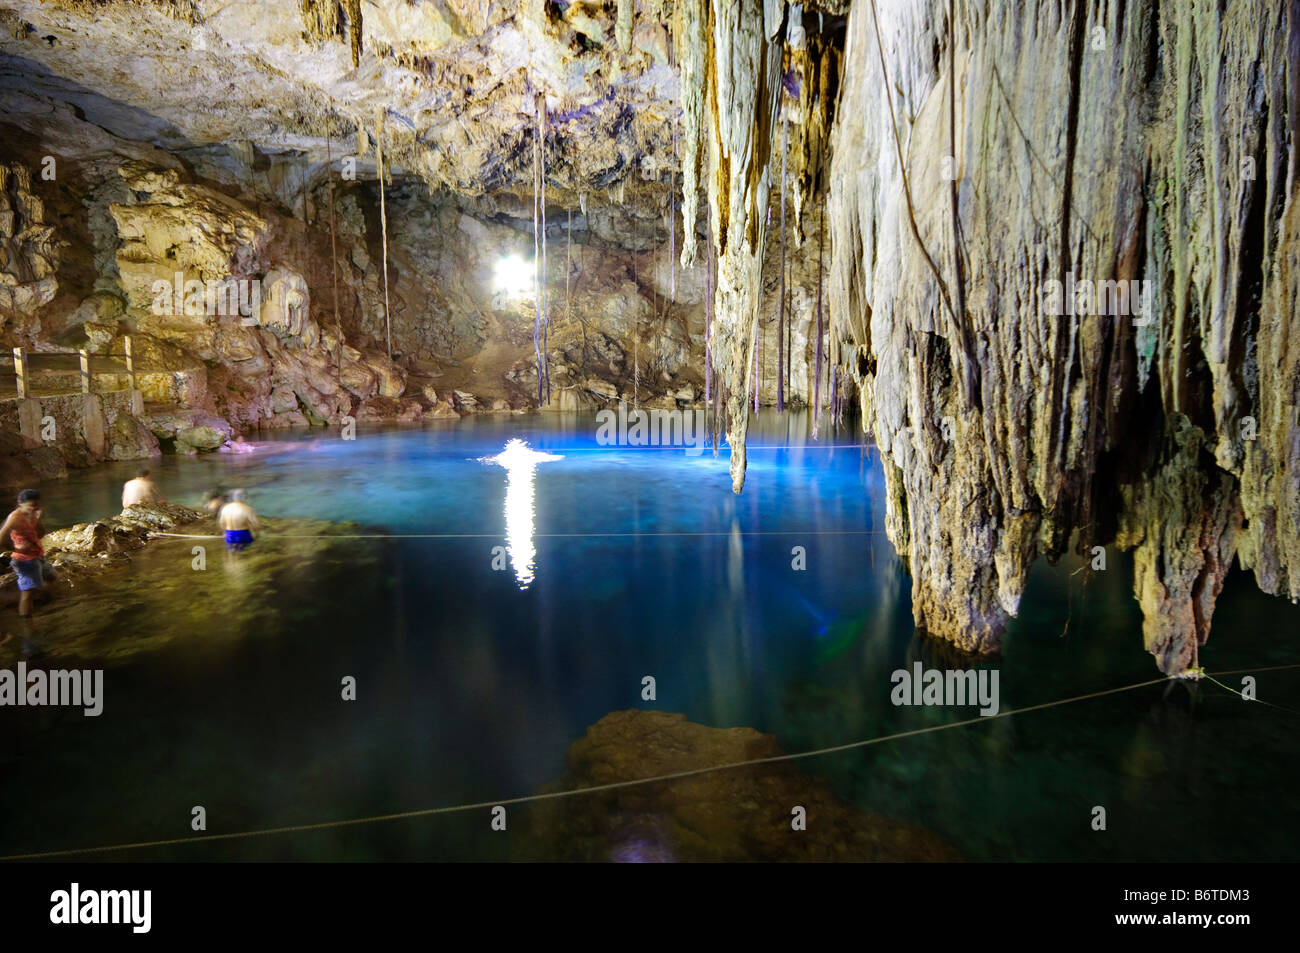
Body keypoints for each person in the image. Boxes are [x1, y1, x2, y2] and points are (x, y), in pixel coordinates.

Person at [0, 489, 47, 618]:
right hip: (24, 560)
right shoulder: (15, 518)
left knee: (51, 577)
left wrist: (38, 519)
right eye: (32, 505)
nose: (35, 508)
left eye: (37, 505)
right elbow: (1, 537)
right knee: (27, 594)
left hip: (36, 556)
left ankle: (39, 605)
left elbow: (41, 534)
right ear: (21, 504)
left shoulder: (32, 515)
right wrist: (17, 549)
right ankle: (27, 624)